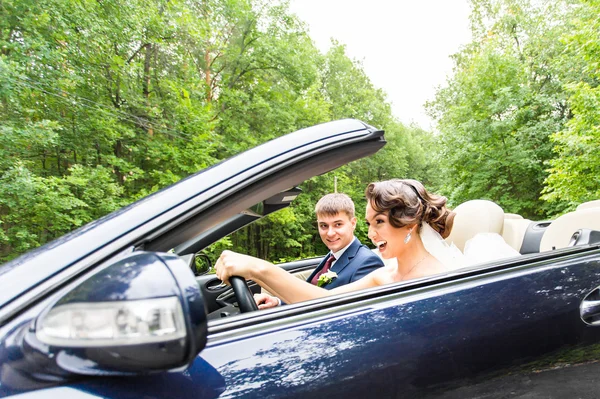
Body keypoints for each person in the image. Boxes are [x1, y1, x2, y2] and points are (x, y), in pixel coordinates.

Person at [215, 179, 456, 306]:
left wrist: (259, 269)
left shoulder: (439, 279)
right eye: (369, 223)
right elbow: (321, 300)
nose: (371, 234)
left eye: (379, 222)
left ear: (409, 224)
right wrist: (259, 270)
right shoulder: (384, 275)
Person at [254, 193, 384, 309]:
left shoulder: (368, 262)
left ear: (353, 223)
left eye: (338, 224)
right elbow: (309, 295)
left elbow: (352, 313)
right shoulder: (332, 257)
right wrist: (277, 302)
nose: (330, 233)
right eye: (323, 226)